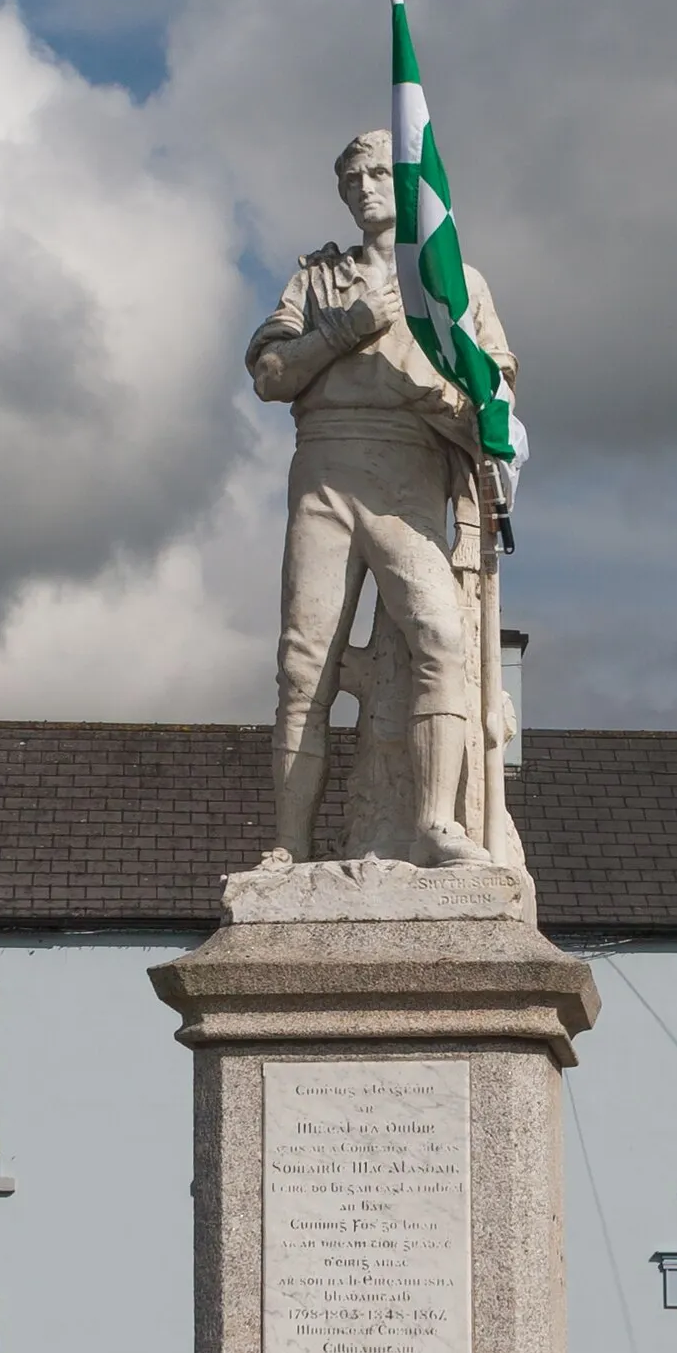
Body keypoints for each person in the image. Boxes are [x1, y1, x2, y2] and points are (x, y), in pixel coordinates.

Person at [246, 129, 516, 865]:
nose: (363, 189)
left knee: (439, 638)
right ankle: (290, 849)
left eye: (377, 175)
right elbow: (272, 375)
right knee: (305, 666)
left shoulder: (454, 283)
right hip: (326, 467)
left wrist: (431, 392)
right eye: (350, 179)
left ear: (407, 182)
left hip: (408, 471)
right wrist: (346, 331)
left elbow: (494, 403)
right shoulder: (317, 280)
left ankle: (437, 824)